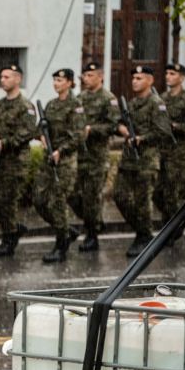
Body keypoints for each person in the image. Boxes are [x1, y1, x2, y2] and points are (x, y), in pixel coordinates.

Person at [113, 66, 173, 257]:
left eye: (139, 78)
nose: (134, 81)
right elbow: (119, 123)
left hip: (147, 160)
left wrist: (142, 139)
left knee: (142, 200)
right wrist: (122, 129)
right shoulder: (131, 104)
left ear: (150, 81)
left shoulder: (156, 103)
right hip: (129, 160)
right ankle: (142, 229)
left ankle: (144, 235)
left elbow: (164, 132)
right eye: (133, 78)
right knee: (119, 195)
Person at [34, 69, 86, 263]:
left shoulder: (75, 106)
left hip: (65, 161)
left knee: (58, 201)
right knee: (39, 199)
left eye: (60, 80)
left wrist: (60, 151)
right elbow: (41, 126)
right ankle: (64, 229)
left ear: (69, 83)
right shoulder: (51, 104)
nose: (56, 83)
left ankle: (61, 244)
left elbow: (78, 135)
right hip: (48, 159)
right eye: (54, 80)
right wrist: (41, 137)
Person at [68, 62, 120, 252]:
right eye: (85, 76)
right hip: (79, 155)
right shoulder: (80, 98)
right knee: (73, 195)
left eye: (90, 76)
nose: (87, 79)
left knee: (91, 197)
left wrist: (92, 129)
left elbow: (113, 126)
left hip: (97, 157)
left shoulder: (108, 99)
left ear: (100, 76)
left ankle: (92, 235)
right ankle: (96, 222)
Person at [0, 64, 37, 257]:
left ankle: (9, 239)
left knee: (8, 201)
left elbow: (27, 132)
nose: (2, 80)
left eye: (7, 77)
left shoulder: (25, 106)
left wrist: (6, 143)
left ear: (18, 79)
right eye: (1, 76)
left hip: (16, 161)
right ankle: (14, 227)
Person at [153, 63, 185, 243]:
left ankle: (170, 231)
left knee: (172, 193)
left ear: (181, 78)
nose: (168, 77)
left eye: (172, 74)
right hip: (162, 151)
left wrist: (176, 127)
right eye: (166, 73)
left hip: (179, 152)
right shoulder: (162, 98)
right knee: (158, 191)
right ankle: (179, 220)